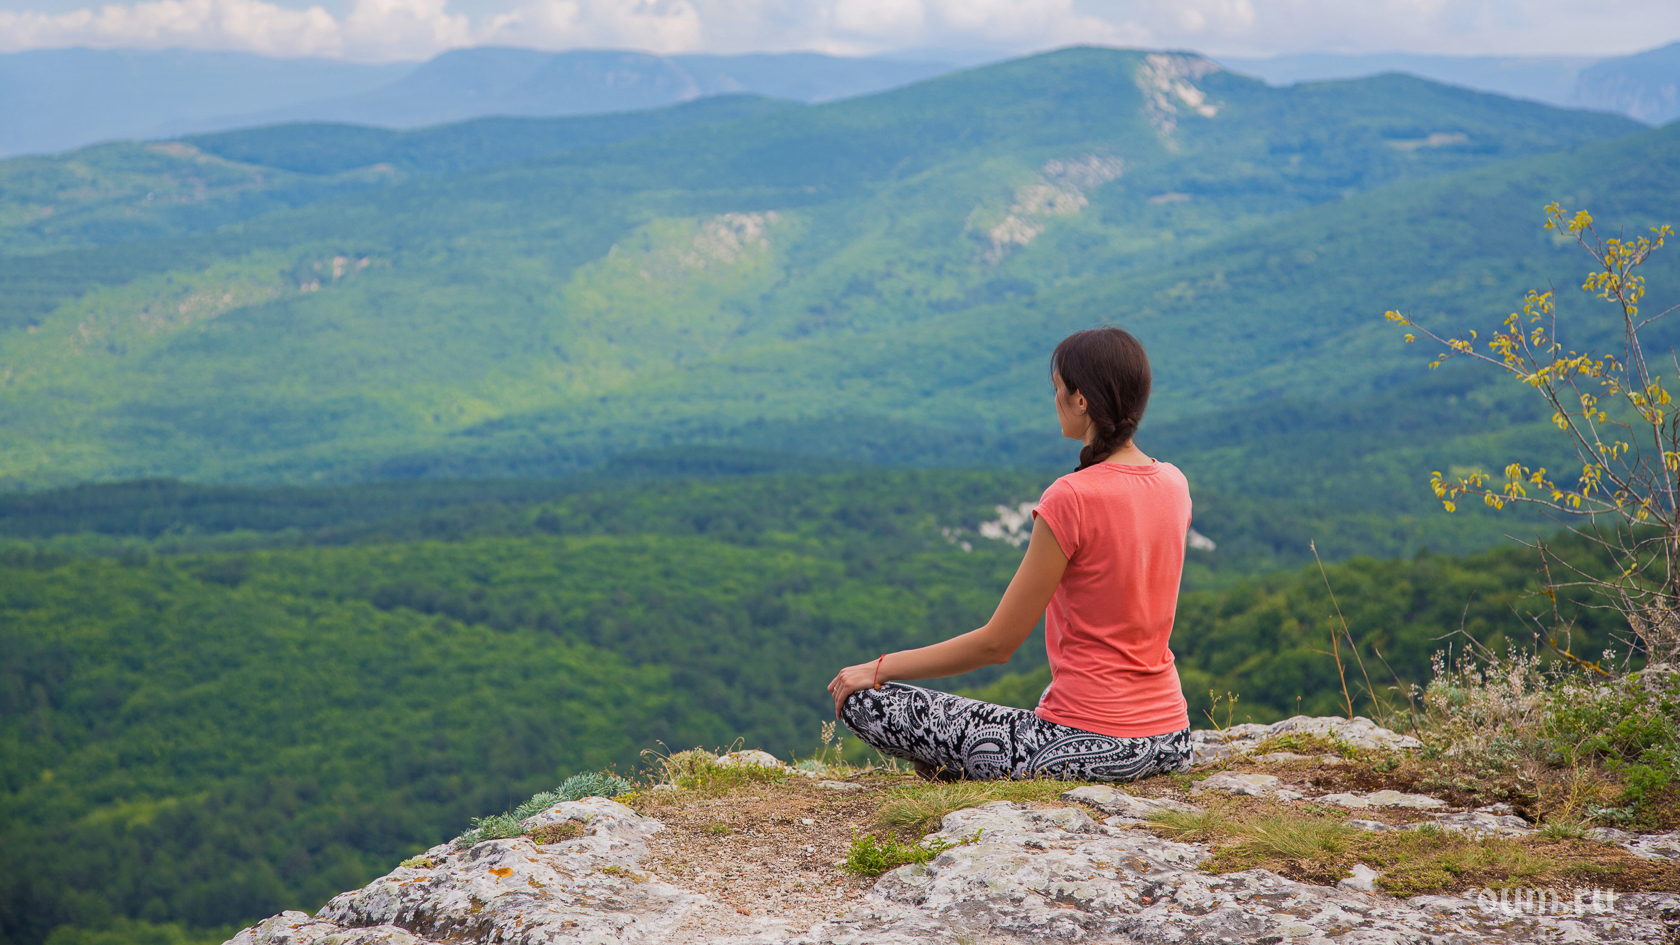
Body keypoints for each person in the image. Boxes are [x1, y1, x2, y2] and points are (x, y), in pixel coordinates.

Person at [827, 327, 1193, 782]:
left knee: (865, 703)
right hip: (1172, 740)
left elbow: (996, 644)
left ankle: (966, 771)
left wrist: (878, 668)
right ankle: (966, 771)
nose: (1054, 398)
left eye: (1058, 388)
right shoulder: (1174, 484)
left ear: (1082, 400)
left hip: (1091, 746)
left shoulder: (1071, 497)